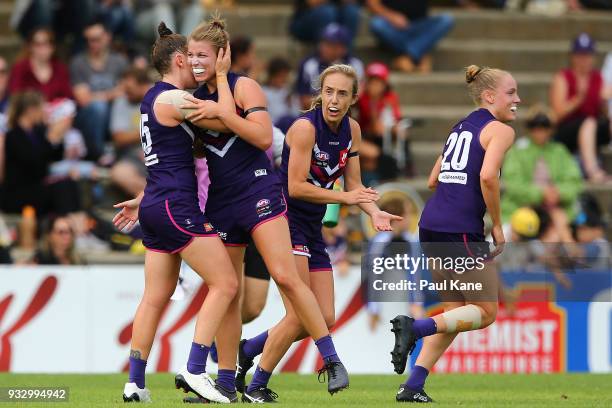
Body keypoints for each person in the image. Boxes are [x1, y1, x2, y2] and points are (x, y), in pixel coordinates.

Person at [180, 16, 350, 402]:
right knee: (229, 293)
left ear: (222, 55)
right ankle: (226, 382)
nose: (194, 62)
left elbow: (260, 135)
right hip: (222, 202)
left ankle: (332, 359)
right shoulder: (193, 97)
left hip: (259, 192)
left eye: (202, 55)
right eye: (190, 55)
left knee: (287, 278)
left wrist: (222, 96)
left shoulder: (244, 86)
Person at [233, 63, 401, 401]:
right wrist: (346, 198)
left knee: (323, 316)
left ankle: (249, 348)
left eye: (342, 93)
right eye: (328, 92)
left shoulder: (352, 129)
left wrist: (373, 211)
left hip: (312, 226)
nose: (334, 99)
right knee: (299, 314)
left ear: (354, 98)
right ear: (319, 93)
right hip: (283, 221)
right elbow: (295, 187)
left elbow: (354, 185)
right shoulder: (304, 129)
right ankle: (256, 386)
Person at [112, 23, 238, 404]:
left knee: (155, 296)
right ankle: (196, 368)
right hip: (175, 206)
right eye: (194, 59)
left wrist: (143, 198)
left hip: (156, 202)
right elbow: (228, 119)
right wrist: (221, 74)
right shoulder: (173, 99)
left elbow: (163, 159)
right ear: (180, 59)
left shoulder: (153, 99)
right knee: (227, 284)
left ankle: (134, 383)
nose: (197, 66)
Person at [391, 65, 519, 402]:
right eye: (511, 93)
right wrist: (497, 225)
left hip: (432, 223)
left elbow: (434, 179)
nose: (517, 99)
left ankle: (413, 385)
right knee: (487, 312)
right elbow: (489, 176)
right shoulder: (501, 131)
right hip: (460, 228)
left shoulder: (459, 127)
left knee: (453, 313)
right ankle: (414, 328)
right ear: (489, 96)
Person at [501, 105, 582, 244]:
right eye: (534, 126)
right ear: (529, 128)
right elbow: (513, 184)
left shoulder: (559, 151)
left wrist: (558, 193)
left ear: (551, 128)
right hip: (521, 208)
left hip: (556, 209)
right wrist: (541, 193)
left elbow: (574, 181)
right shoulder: (518, 151)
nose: (540, 131)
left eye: (545, 126)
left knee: (559, 225)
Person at [0, 91, 79, 216]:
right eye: (42, 107)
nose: (44, 112)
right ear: (30, 110)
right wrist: (52, 138)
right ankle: (70, 224)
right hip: (18, 193)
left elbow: (55, 156)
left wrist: (59, 135)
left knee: (69, 183)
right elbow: (32, 162)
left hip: (36, 188)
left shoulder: (38, 132)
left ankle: (73, 224)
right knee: (62, 188)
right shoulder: (13, 135)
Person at [550, 33, 612, 182]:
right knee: (589, 122)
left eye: (587, 56)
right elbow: (557, 115)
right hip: (567, 130)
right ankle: (593, 171)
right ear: (573, 57)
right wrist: (578, 99)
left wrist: (603, 101)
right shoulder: (563, 77)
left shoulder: (597, 78)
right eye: (580, 55)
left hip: (592, 130)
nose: (584, 60)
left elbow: (601, 112)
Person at [71, 18, 129, 160]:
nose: (92, 44)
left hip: (115, 114)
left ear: (107, 37)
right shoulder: (78, 63)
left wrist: (100, 95)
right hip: (88, 117)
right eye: (89, 40)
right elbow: (84, 100)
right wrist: (112, 93)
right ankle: (99, 155)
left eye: (96, 39)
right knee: (98, 107)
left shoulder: (119, 61)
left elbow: (127, 90)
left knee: (123, 102)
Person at [366, 0, 454, 73]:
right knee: (377, 24)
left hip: (419, 27)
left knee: (446, 20)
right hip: (392, 28)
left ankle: (408, 57)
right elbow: (372, 3)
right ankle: (419, 54)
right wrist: (391, 17)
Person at [295, 23, 364, 111]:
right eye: (325, 43)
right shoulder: (308, 64)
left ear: (344, 48)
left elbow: (359, 95)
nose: (326, 48)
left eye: (333, 45)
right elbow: (304, 99)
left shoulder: (355, 64)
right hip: (314, 114)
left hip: (347, 113)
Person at [109, 67, 152, 197]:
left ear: (144, 86)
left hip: (160, 155)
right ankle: (156, 199)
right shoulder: (121, 102)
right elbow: (119, 138)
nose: (126, 93)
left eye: (130, 89)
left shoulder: (159, 98)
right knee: (119, 173)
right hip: (133, 158)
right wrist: (150, 128)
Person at [289, 0, 361, 48]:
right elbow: (313, 2)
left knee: (351, 12)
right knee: (327, 12)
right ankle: (323, 58)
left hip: (337, 16)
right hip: (304, 21)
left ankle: (346, 56)